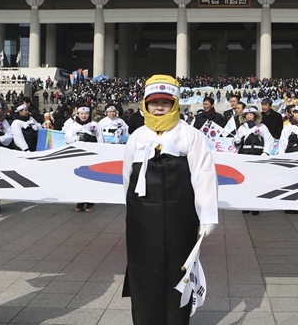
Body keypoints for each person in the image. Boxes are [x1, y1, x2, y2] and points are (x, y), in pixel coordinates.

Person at [121, 75, 218, 325]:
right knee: (144, 272)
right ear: (146, 104)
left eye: (166, 101)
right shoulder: (137, 137)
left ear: (175, 103)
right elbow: (127, 177)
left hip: (180, 217)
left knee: (178, 272)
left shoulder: (190, 135)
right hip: (142, 219)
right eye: (154, 102)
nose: (160, 107)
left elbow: (204, 175)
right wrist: (130, 210)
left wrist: (207, 216)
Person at [63, 103, 103, 212]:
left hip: (92, 155)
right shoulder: (73, 125)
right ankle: (80, 201)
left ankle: (90, 201)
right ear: (78, 114)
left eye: (86, 114)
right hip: (78, 155)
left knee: (91, 178)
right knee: (79, 178)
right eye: (81, 114)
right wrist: (78, 138)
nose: (84, 116)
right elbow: (67, 139)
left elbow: (101, 140)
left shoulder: (95, 124)